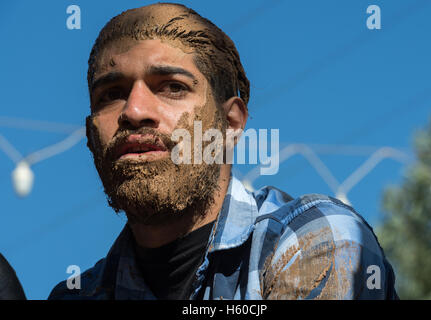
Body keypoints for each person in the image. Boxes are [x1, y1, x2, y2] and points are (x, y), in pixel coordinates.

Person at [48, 3, 398, 300]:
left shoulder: (312, 238)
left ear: (230, 123)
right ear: (91, 133)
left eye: (172, 87)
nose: (134, 111)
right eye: (111, 93)